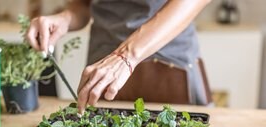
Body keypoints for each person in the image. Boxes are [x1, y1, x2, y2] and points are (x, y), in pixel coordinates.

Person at [27, 0, 212, 113]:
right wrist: (65, 18)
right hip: (104, 71)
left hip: (169, 66)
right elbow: (84, 4)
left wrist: (125, 55)